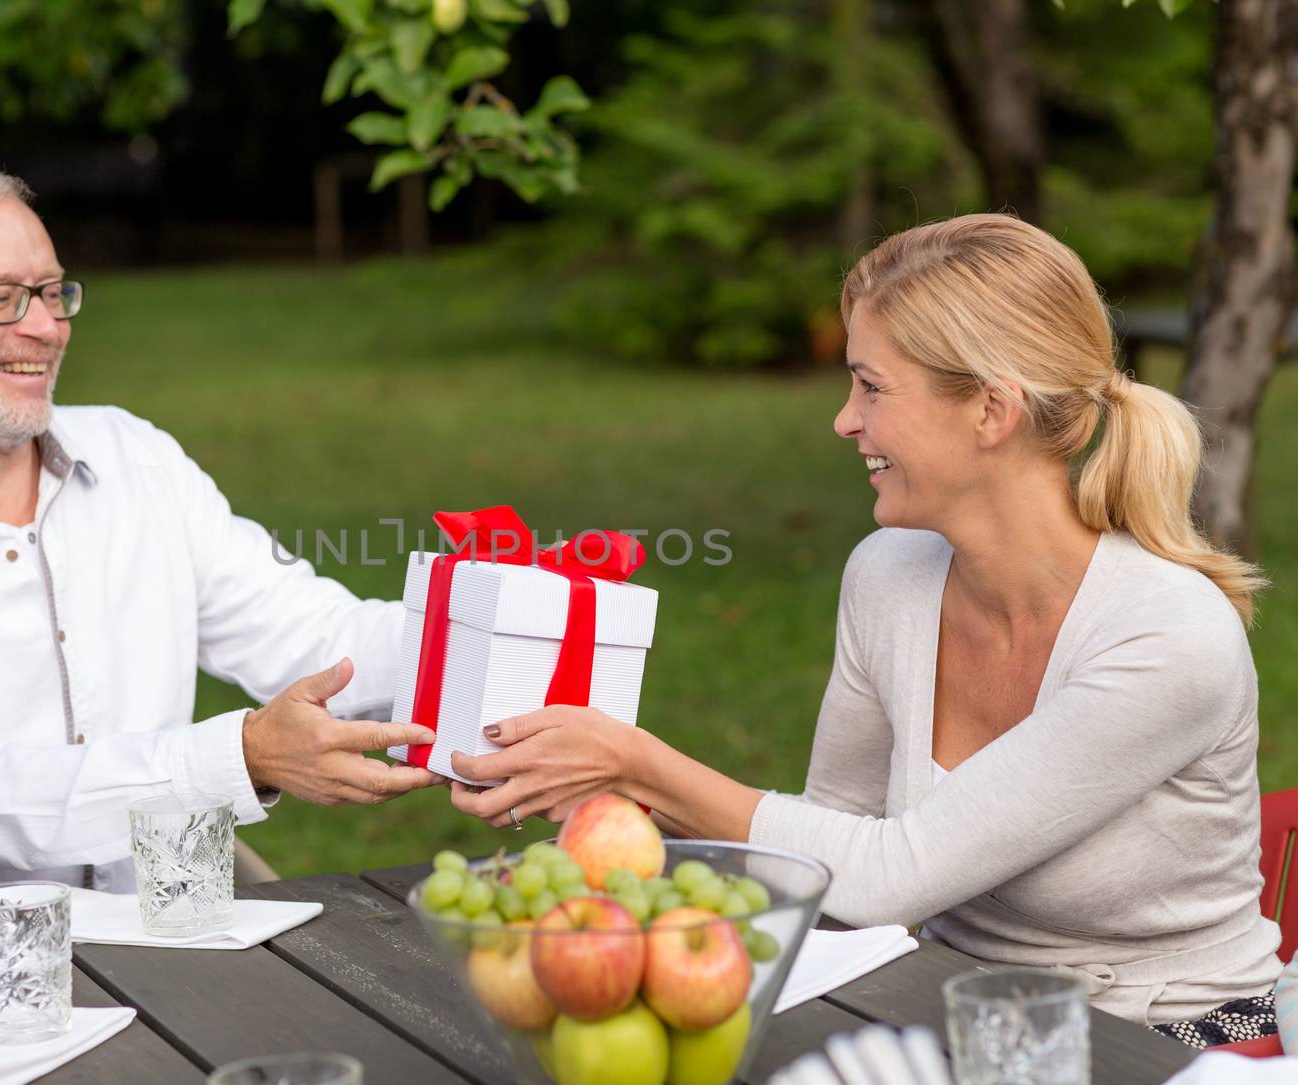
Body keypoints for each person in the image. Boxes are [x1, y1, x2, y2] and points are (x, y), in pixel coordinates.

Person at [447, 214, 1284, 1041]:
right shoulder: (889, 574)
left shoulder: (1169, 638)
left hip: (1171, 1037)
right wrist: (612, 788)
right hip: (954, 1011)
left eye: (872, 387)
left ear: (991, 410)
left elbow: (894, 874)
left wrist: (641, 761)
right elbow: (830, 843)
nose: (845, 420)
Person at [0, 160, 439, 938]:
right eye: (0, 298)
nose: (46, 326)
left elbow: (324, 645)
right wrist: (244, 754)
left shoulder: (136, 458)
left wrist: (550, 626)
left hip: (177, 965)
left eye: (52, 291)